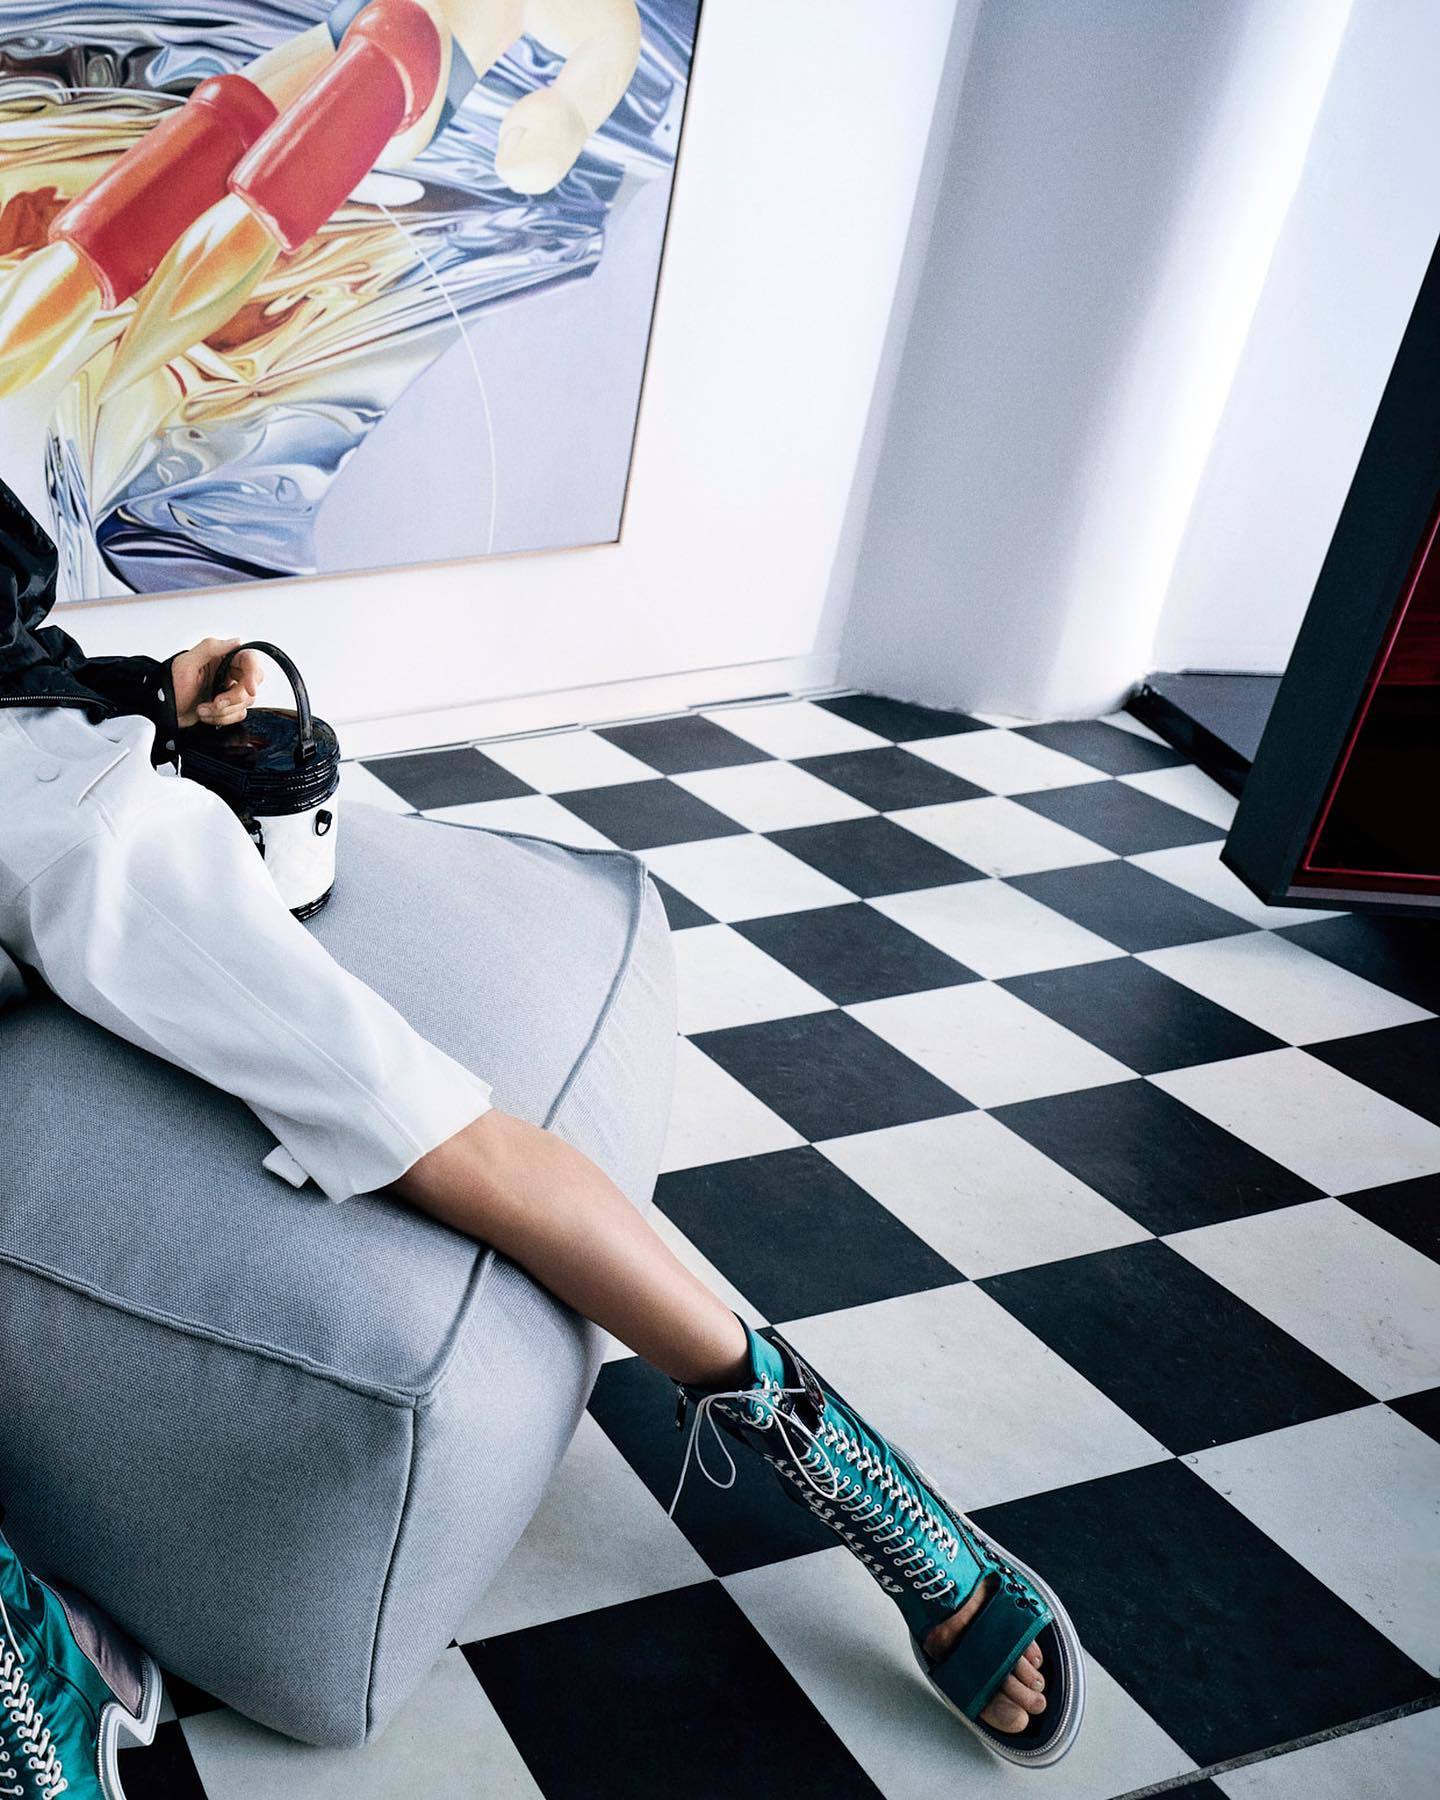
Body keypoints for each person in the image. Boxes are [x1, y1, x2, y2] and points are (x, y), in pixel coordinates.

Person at [0, 478, 1083, 1796]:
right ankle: (36, 1647)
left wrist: (163, 689)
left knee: (415, 1119)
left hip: (39, 805)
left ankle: (855, 1476)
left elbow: (13, 632)